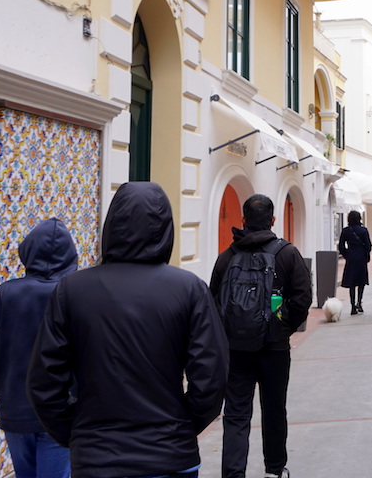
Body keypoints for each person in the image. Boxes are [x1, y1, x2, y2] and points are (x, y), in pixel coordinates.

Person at [27, 182, 228, 478]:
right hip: (169, 454)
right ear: (165, 229)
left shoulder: (73, 289)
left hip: (97, 456)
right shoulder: (188, 289)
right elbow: (211, 376)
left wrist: (77, 434)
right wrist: (182, 426)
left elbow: (44, 381)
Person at [211, 194, 312, 478]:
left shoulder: (227, 257)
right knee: (274, 409)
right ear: (273, 220)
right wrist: (282, 328)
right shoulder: (287, 253)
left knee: (236, 414)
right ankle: (274, 470)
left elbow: (212, 300)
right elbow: (302, 298)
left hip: (236, 350)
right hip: (274, 349)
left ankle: (233, 473)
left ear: (242, 221)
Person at [0, 218, 77, 478]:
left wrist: (4, 394)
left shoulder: (7, 293)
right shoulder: (74, 293)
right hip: (62, 409)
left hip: (16, 409)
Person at [337, 210, 371, 315]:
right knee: (361, 281)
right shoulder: (363, 230)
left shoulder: (346, 231)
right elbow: (368, 245)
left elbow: (341, 246)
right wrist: (365, 253)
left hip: (351, 257)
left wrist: (347, 254)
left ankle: (352, 306)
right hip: (361, 257)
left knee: (352, 282)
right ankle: (359, 303)